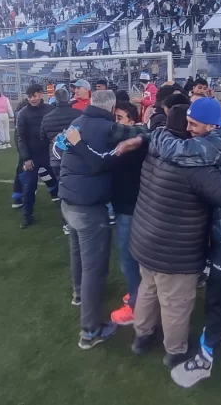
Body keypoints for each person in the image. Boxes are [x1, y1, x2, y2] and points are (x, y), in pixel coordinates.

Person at [125, 104, 221, 371]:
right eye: (188, 124)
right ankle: (175, 351)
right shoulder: (198, 169)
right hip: (175, 249)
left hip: (144, 238)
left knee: (148, 288)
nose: (190, 129)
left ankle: (142, 337)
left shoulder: (154, 147)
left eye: (194, 124)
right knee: (175, 302)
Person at [64, 101, 148, 326]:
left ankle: (137, 307)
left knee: (128, 260)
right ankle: (138, 295)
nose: (114, 124)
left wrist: (79, 144)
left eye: (120, 119)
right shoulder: (124, 142)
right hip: (124, 207)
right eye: (115, 117)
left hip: (129, 209)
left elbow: (100, 163)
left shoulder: (130, 147)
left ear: (131, 121)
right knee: (130, 259)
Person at [58, 89, 121, 349]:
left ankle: (78, 294)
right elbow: (101, 164)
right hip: (88, 206)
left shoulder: (77, 122)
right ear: (112, 108)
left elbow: (61, 152)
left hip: (68, 201)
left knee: (78, 254)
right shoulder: (107, 128)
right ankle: (90, 331)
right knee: (94, 268)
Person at [40, 88, 82, 233]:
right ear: (68, 98)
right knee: (79, 187)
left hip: (57, 158)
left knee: (63, 190)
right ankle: (80, 219)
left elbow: (42, 138)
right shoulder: (79, 114)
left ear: (55, 100)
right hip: (77, 156)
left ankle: (67, 223)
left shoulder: (47, 117)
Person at [16, 84, 53, 229]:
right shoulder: (23, 113)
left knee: (61, 181)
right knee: (29, 186)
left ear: (41, 95)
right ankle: (27, 215)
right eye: (29, 97)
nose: (32, 99)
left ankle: (66, 213)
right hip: (32, 157)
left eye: (34, 96)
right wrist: (26, 158)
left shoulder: (50, 110)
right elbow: (20, 137)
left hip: (49, 155)